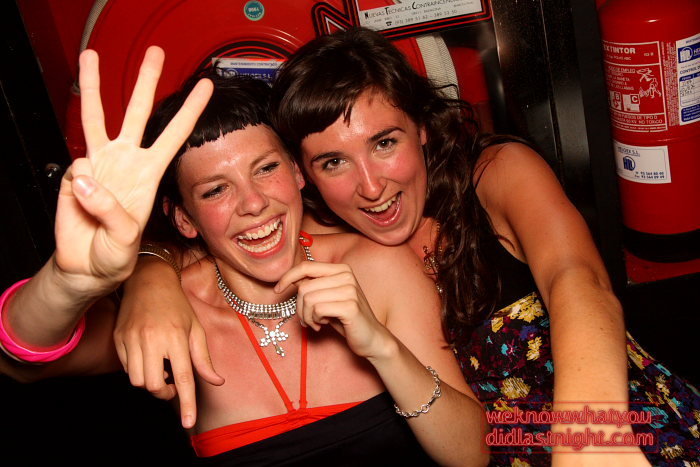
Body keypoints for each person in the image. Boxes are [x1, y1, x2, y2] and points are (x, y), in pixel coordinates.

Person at [114, 28, 700, 466]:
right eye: (334, 161)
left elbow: (578, 281)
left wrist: (590, 432)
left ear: (421, 126)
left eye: (385, 142)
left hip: (616, 432)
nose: (371, 187)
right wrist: (149, 278)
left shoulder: (493, 174)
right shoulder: (311, 226)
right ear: (304, 176)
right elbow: (212, 236)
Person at [0, 46, 489, 466]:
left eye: (266, 168)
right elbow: (20, 365)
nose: (253, 203)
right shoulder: (172, 313)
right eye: (215, 190)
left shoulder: (375, 266)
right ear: (184, 219)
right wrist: (70, 281)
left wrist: (383, 348)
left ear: (297, 174)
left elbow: (471, 455)